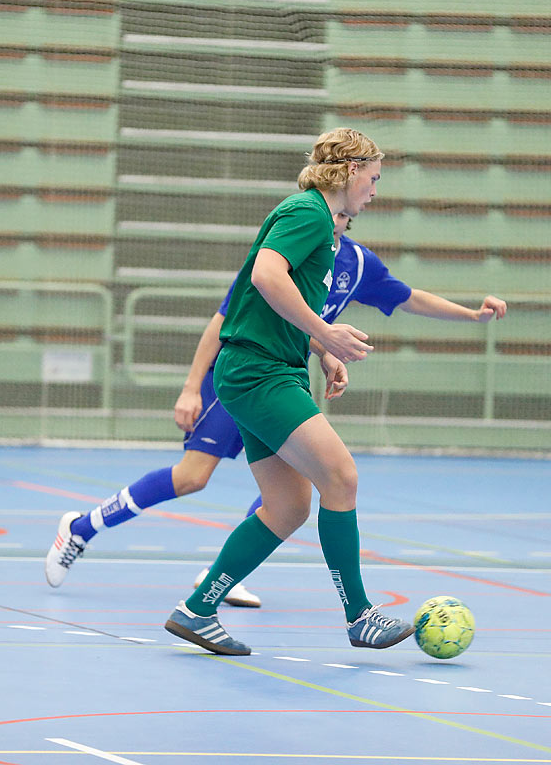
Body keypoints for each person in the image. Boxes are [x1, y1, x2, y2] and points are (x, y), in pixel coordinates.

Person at [44, 211, 507, 609]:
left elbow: (408, 298)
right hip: (242, 373)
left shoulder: (357, 263)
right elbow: (224, 319)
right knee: (192, 477)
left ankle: (221, 577)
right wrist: (190, 388)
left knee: (295, 485)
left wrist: (472, 316)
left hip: (282, 377)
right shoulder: (287, 247)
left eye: (344, 217)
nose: (336, 222)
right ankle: (83, 527)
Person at [139, 127, 408, 655]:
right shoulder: (307, 212)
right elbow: (265, 275)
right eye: (373, 179)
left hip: (268, 366)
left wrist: (320, 347)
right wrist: (328, 331)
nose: (375, 191)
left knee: (287, 506)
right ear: (351, 171)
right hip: (259, 371)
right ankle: (359, 616)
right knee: (341, 476)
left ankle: (197, 610)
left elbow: (278, 302)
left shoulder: (321, 224)